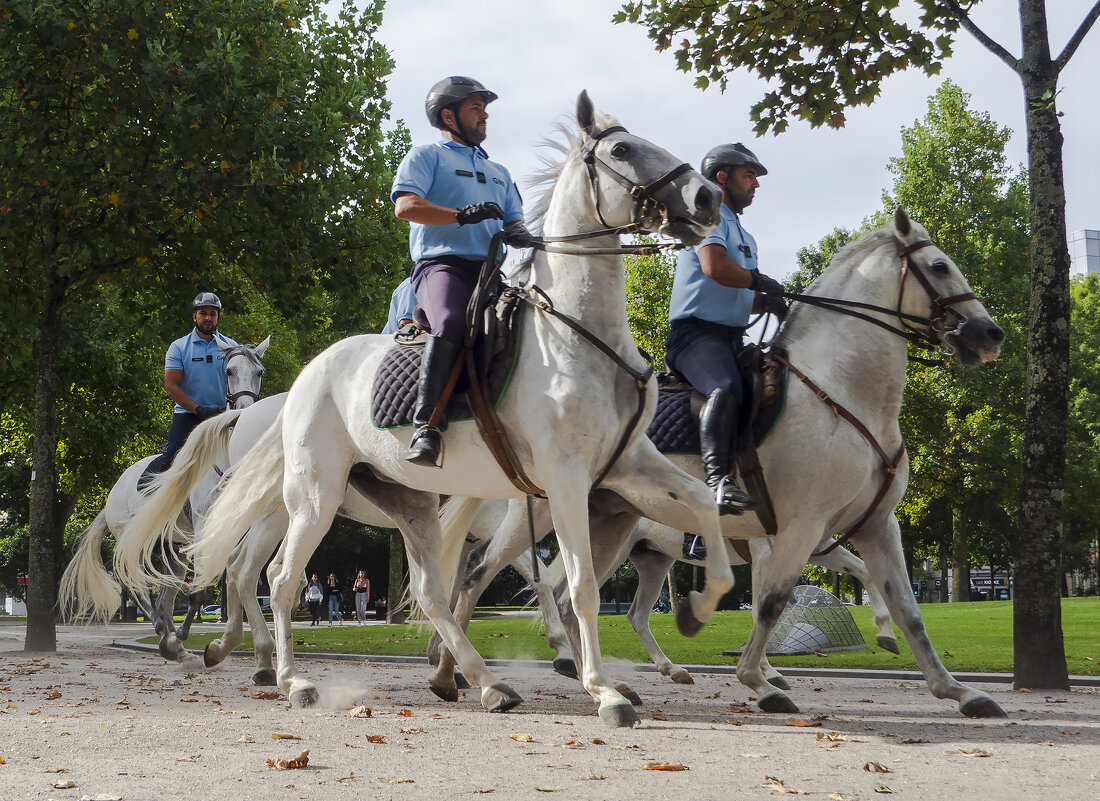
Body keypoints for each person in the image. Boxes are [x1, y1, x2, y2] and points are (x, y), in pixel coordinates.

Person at [391, 76, 533, 467]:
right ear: (448, 115)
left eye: (484, 108)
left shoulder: (501, 172)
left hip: (491, 274)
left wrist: (530, 238)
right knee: (452, 320)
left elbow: (515, 226)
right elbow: (405, 207)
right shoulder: (426, 157)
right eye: (476, 107)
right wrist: (461, 216)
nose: (485, 114)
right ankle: (427, 427)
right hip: (442, 267)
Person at [665, 143, 787, 517]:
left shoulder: (745, 237)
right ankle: (717, 483)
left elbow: (740, 295)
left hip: (731, 338)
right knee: (726, 388)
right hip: (695, 337)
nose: (756, 184)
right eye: (749, 175)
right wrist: (756, 279)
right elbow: (715, 268)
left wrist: (766, 302)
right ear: (722, 177)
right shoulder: (709, 218)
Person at [144, 292, 239, 477]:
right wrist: (198, 409)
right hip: (189, 415)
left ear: (218, 317)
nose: (208, 318)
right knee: (172, 460)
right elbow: (171, 387)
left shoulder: (232, 347)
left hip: (224, 416)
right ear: (194, 316)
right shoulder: (179, 347)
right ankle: (159, 498)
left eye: (213, 313)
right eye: (203, 313)